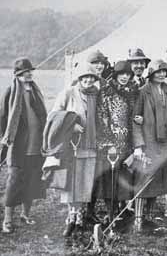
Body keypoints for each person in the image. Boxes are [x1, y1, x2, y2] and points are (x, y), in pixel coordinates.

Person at [51, 65, 99, 237]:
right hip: (73, 146)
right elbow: (54, 115)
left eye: (92, 78)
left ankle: (80, 218)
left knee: (85, 183)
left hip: (91, 145)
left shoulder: (95, 95)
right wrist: (71, 125)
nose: (88, 80)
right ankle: (70, 218)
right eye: (85, 77)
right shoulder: (68, 93)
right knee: (72, 183)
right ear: (79, 78)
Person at [0, 58, 47, 233]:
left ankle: (25, 215)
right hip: (18, 146)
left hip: (36, 144)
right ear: (17, 74)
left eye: (29, 71)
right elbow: (3, 117)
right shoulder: (11, 91)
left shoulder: (35, 90)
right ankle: (7, 220)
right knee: (14, 182)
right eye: (24, 72)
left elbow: (42, 115)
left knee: (33, 180)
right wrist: (7, 138)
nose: (28, 74)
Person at [132, 59, 167, 229]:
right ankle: (138, 219)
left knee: (157, 180)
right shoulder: (143, 92)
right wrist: (139, 146)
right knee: (144, 178)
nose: (162, 74)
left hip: (164, 142)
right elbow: (136, 120)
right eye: (158, 72)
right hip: (149, 142)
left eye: (164, 71)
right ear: (151, 74)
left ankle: (149, 216)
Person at [95, 60, 138, 218]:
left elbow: (134, 116)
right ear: (116, 75)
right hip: (111, 143)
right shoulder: (107, 91)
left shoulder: (133, 91)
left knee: (124, 178)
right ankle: (110, 212)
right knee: (110, 180)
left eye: (127, 74)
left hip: (127, 141)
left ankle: (122, 210)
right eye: (121, 74)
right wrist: (108, 143)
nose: (124, 77)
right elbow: (102, 118)